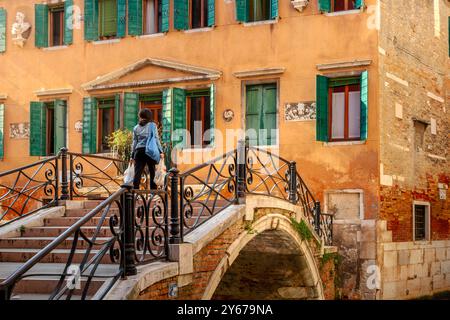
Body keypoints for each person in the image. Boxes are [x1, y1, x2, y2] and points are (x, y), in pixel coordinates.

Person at [130, 109, 164, 189]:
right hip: (150, 151)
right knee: (152, 171)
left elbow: (134, 143)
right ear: (149, 116)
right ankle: (153, 192)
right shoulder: (152, 125)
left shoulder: (136, 128)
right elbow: (156, 139)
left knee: (137, 172)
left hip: (138, 151)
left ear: (140, 116)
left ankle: (135, 191)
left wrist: (132, 155)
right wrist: (161, 151)